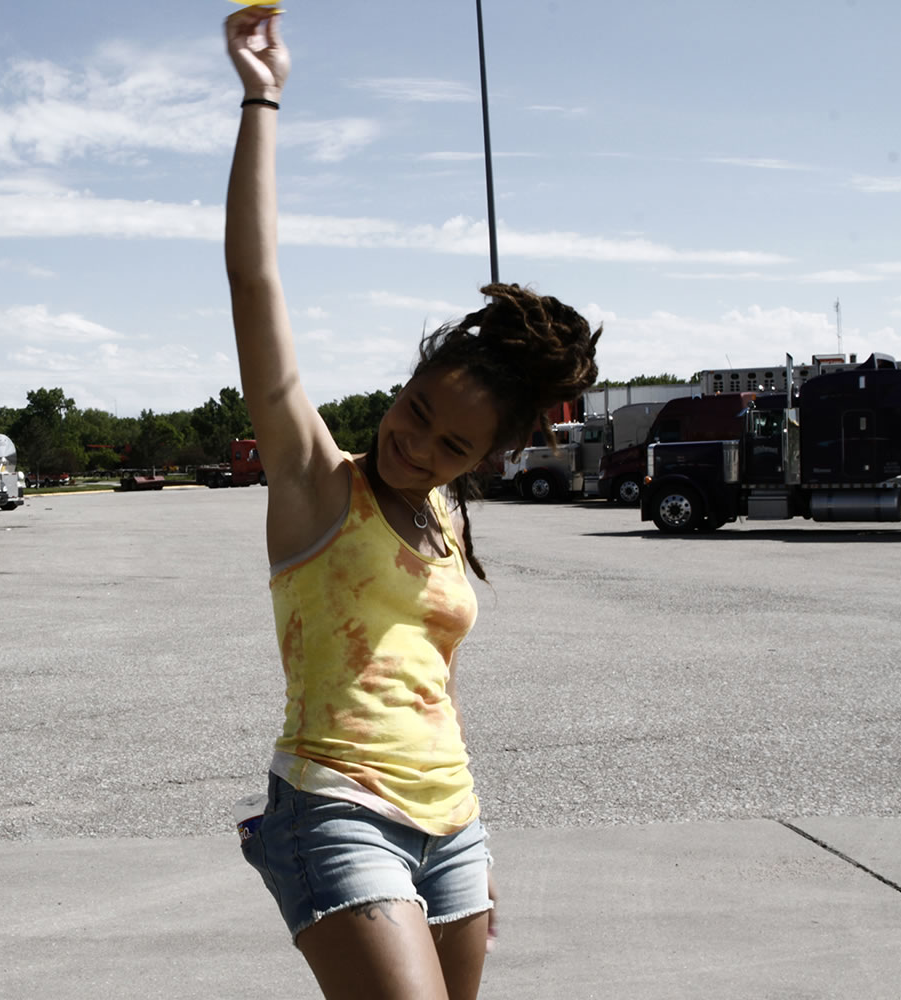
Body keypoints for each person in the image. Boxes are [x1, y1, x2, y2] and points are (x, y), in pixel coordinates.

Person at [223, 8, 601, 999]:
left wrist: (465, 840)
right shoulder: (317, 482)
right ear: (409, 375)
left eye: (452, 442)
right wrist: (262, 97)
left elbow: (428, 670)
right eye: (415, 409)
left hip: (453, 821)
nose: (416, 443)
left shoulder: (449, 519)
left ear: (492, 455)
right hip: (337, 806)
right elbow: (254, 282)